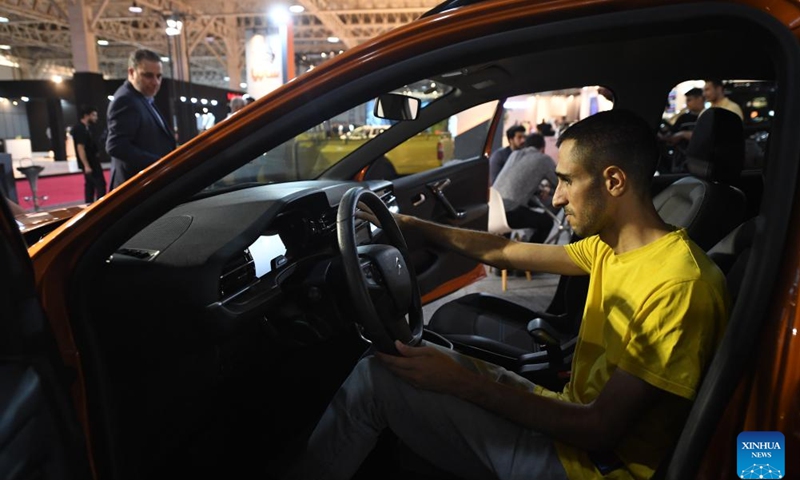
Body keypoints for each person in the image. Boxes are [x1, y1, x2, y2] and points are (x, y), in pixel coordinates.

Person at [289, 110, 729, 480]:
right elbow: (508, 250)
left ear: (613, 181)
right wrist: (413, 227)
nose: (555, 198)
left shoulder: (679, 286)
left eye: (566, 181)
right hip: (568, 420)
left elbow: (600, 429)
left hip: (589, 467)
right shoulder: (612, 247)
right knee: (413, 356)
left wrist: (462, 383)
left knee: (376, 380)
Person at [106, 49, 176, 191]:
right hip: (135, 189)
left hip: (145, 185)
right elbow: (115, 146)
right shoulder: (126, 100)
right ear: (131, 73)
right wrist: (160, 164)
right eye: (148, 76)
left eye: (159, 76)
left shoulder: (142, 98)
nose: (155, 82)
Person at [493, 133, 558, 244]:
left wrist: (539, 190)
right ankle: (529, 254)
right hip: (511, 211)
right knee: (546, 222)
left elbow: (518, 182)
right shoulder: (544, 159)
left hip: (494, 208)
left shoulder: (515, 154)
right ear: (543, 148)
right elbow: (559, 183)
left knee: (529, 214)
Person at [71, 105, 105, 203]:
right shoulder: (80, 129)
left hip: (92, 161)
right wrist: (86, 165)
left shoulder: (87, 128)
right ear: (86, 116)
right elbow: (80, 148)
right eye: (93, 115)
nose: (96, 118)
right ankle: (100, 206)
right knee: (100, 185)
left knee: (90, 186)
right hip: (90, 163)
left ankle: (89, 205)